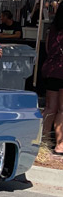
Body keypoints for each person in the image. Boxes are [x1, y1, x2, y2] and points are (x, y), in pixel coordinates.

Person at [41, 8, 63, 153]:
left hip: (51, 69)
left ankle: (42, 141)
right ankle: (60, 145)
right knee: (62, 109)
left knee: (50, 107)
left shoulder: (53, 29)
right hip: (61, 70)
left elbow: (48, 49)